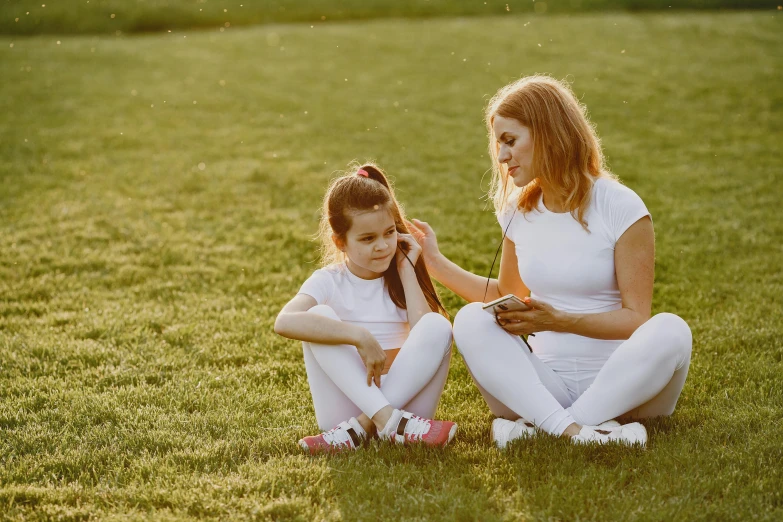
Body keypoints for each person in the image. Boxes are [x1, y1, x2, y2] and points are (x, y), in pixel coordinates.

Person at [408, 75, 692, 448]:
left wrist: (559, 320)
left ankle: (550, 427)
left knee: (672, 330)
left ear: (548, 132)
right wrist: (435, 263)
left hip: (625, 386)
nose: (502, 155)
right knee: (471, 318)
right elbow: (507, 293)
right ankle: (580, 431)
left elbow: (635, 319)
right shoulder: (518, 211)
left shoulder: (621, 207)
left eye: (511, 141)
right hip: (545, 385)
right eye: (498, 144)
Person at [274, 163, 457, 455]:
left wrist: (407, 268)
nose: (383, 246)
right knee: (317, 316)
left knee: (437, 325)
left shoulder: (400, 277)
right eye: (368, 239)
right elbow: (284, 322)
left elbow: (427, 334)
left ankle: (365, 426)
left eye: (388, 233)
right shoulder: (328, 281)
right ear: (340, 242)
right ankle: (388, 422)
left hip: (406, 404)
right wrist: (358, 336)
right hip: (344, 406)